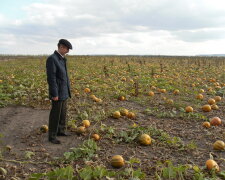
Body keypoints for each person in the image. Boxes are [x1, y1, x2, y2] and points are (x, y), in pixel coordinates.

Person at [46, 39, 72, 144]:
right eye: (66, 49)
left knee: (63, 113)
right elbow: (51, 78)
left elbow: (63, 76)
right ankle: (52, 136)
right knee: (55, 115)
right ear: (61, 47)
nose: (67, 51)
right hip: (58, 92)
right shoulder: (52, 59)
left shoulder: (62, 58)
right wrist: (54, 94)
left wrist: (68, 90)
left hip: (64, 91)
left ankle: (61, 131)